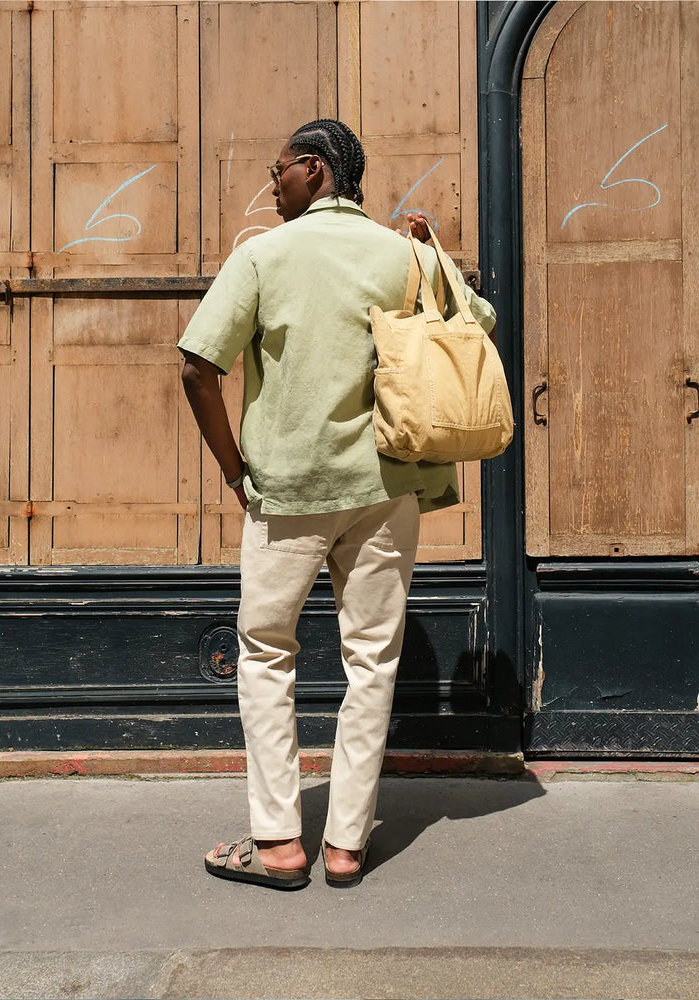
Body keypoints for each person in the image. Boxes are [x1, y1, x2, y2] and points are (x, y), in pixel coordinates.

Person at [178, 119, 496, 890]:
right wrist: (428, 250)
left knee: (265, 656)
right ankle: (347, 845)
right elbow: (475, 325)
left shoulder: (262, 254)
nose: (272, 182)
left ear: (315, 170)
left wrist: (232, 470)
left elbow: (196, 364)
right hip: (388, 489)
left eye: (278, 169)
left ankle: (280, 844)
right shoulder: (404, 254)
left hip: (287, 491)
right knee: (373, 661)